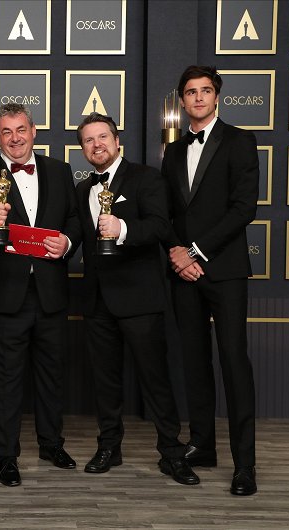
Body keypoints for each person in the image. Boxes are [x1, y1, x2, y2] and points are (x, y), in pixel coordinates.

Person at [74, 114, 199, 486]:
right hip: (97, 300)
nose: (97, 145)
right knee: (105, 382)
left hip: (140, 298)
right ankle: (109, 447)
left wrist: (123, 228)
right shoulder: (82, 191)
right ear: (82, 149)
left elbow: (162, 226)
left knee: (156, 380)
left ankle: (172, 453)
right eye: (88, 141)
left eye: (102, 137)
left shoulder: (146, 178)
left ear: (117, 141)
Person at [0, 103, 81, 487]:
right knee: (5, 379)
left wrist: (66, 242)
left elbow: (75, 221)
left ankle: (51, 443)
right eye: (5, 131)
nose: (14, 138)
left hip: (50, 292)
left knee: (52, 375)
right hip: (5, 296)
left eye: (20, 130)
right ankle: (6, 454)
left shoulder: (60, 171)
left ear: (33, 131)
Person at [161, 65, 258, 496]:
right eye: (190, 92)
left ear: (216, 96)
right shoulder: (173, 151)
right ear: (181, 101)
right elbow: (168, 214)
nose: (198, 98)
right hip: (184, 273)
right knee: (194, 363)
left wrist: (197, 251)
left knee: (234, 363)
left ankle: (245, 464)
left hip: (226, 270)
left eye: (205, 91)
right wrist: (178, 255)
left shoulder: (240, 141)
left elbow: (244, 209)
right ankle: (202, 445)